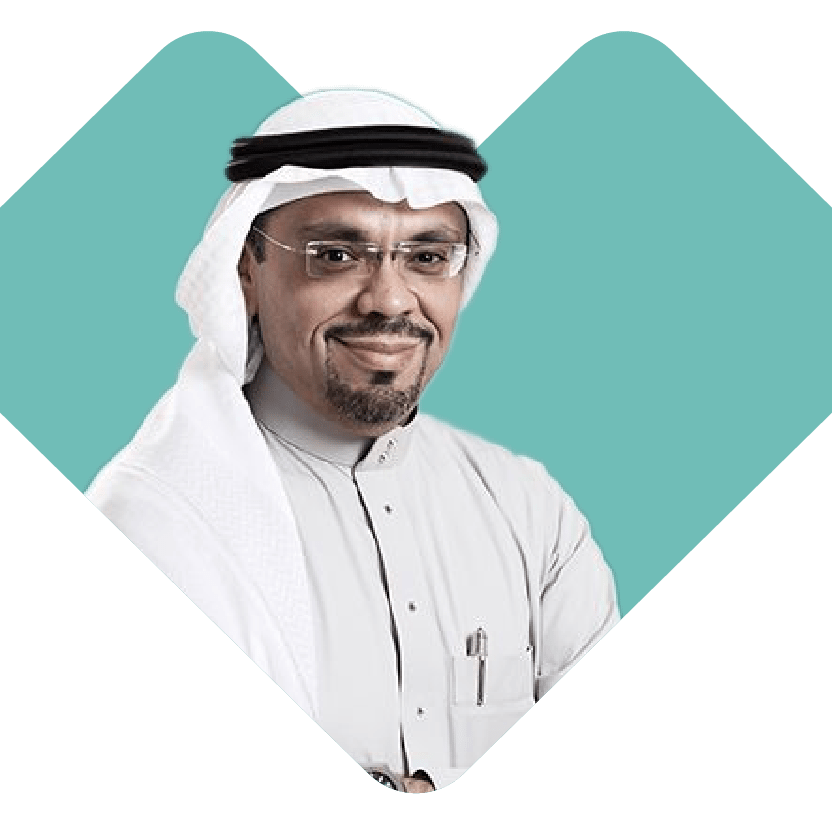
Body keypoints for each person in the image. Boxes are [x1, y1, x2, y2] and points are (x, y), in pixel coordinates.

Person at [86, 88, 619, 792]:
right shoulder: (155, 522)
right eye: (336, 254)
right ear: (247, 271)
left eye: (428, 256)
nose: (389, 300)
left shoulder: (530, 511)